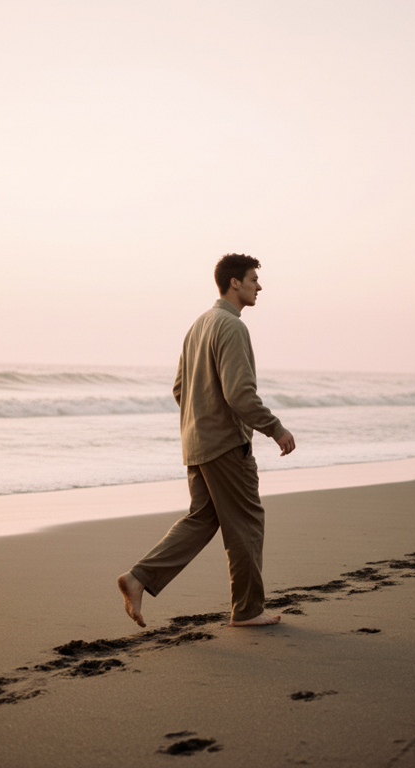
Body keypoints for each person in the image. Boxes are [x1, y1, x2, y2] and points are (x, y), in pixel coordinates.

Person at [118, 254, 296, 628]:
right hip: (226, 447)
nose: (258, 287)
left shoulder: (198, 325)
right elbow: (240, 394)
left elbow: (180, 388)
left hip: (197, 444)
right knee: (246, 523)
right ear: (234, 283)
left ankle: (139, 578)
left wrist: (201, 422)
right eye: (253, 280)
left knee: (202, 519)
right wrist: (275, 428)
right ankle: (247, 610)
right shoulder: (231, 327)